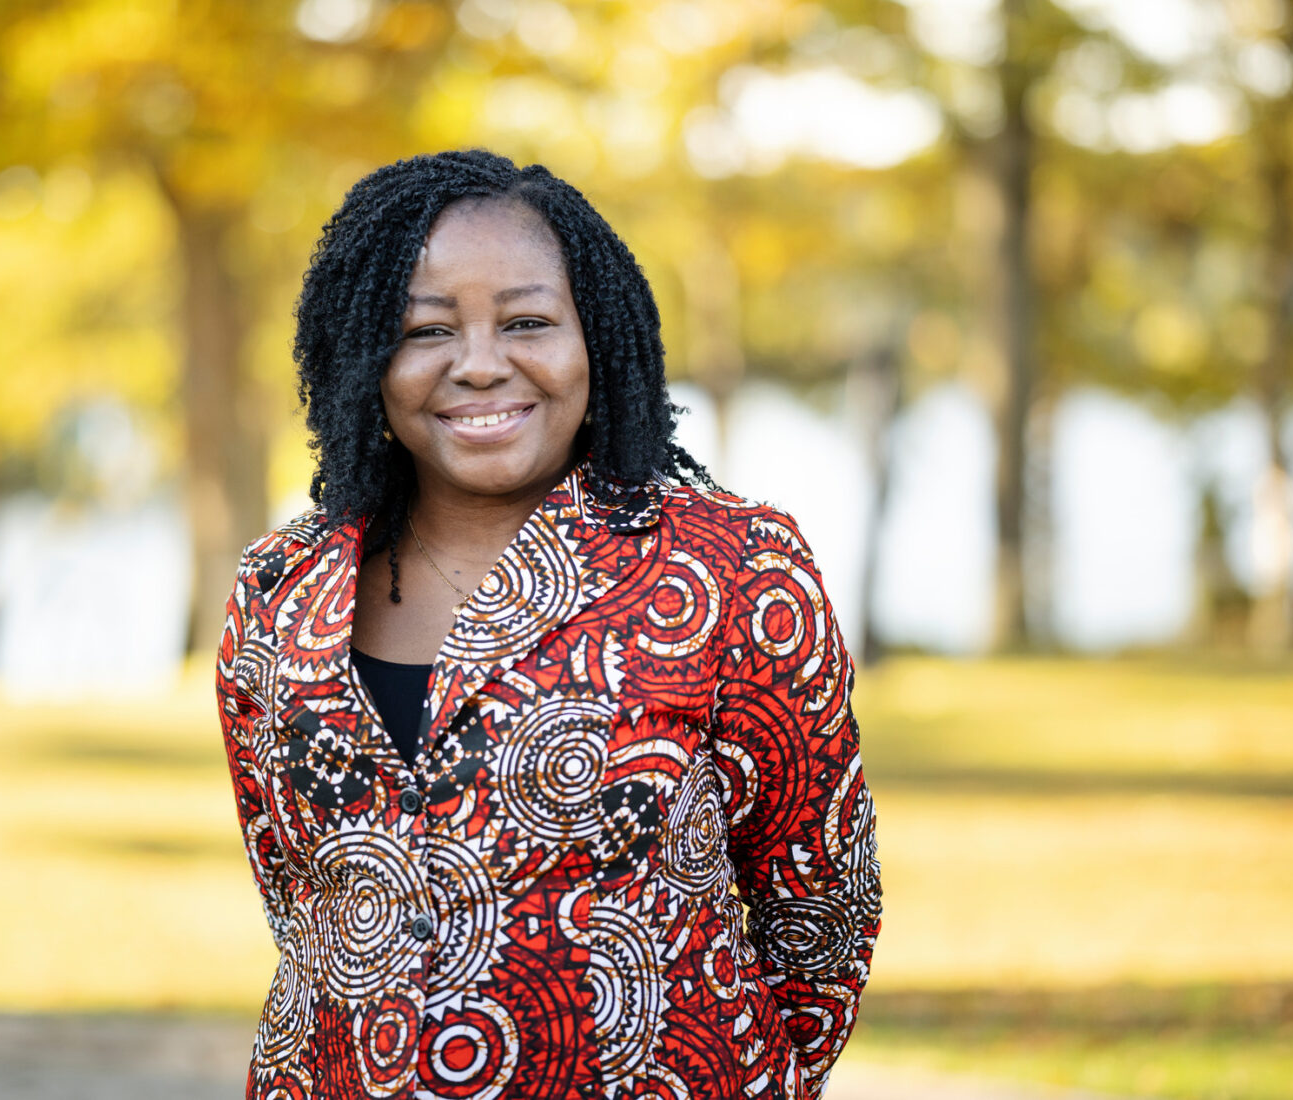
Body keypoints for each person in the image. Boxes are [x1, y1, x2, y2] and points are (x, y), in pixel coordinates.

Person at [216, 149, 880, 1100]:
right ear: (365, 352)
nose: (481, 365)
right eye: (424, 330)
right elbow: (297, 897)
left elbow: (819, 916)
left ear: (596, 340)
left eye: (528, 322)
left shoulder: (732, 568)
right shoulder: (280, 588)